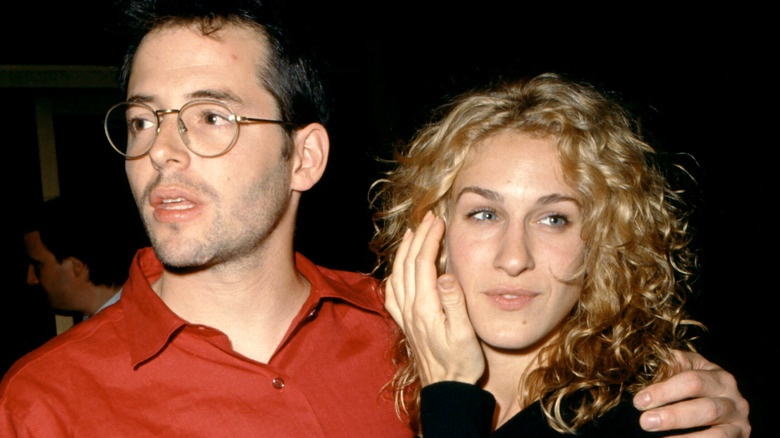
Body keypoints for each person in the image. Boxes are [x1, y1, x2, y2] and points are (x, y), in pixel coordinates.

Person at [0, 1, 748, 436]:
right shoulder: (45, 401)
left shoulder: (411, 329)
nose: (161, 150)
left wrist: (695, 402)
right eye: (140, 122)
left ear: (305, 158)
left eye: (210, 116)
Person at [375, 73, 751, 436]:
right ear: (432, 230)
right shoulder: (371, 387)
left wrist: (451, 396)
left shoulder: (652, 419)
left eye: (554, 219)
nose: (514, 258)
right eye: (485, 214)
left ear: (603, 240)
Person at [23, 197, 131, 318]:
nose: (31, 279)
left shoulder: (142, 319)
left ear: (76, 266)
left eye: (38, 266)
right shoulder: (96, 328)